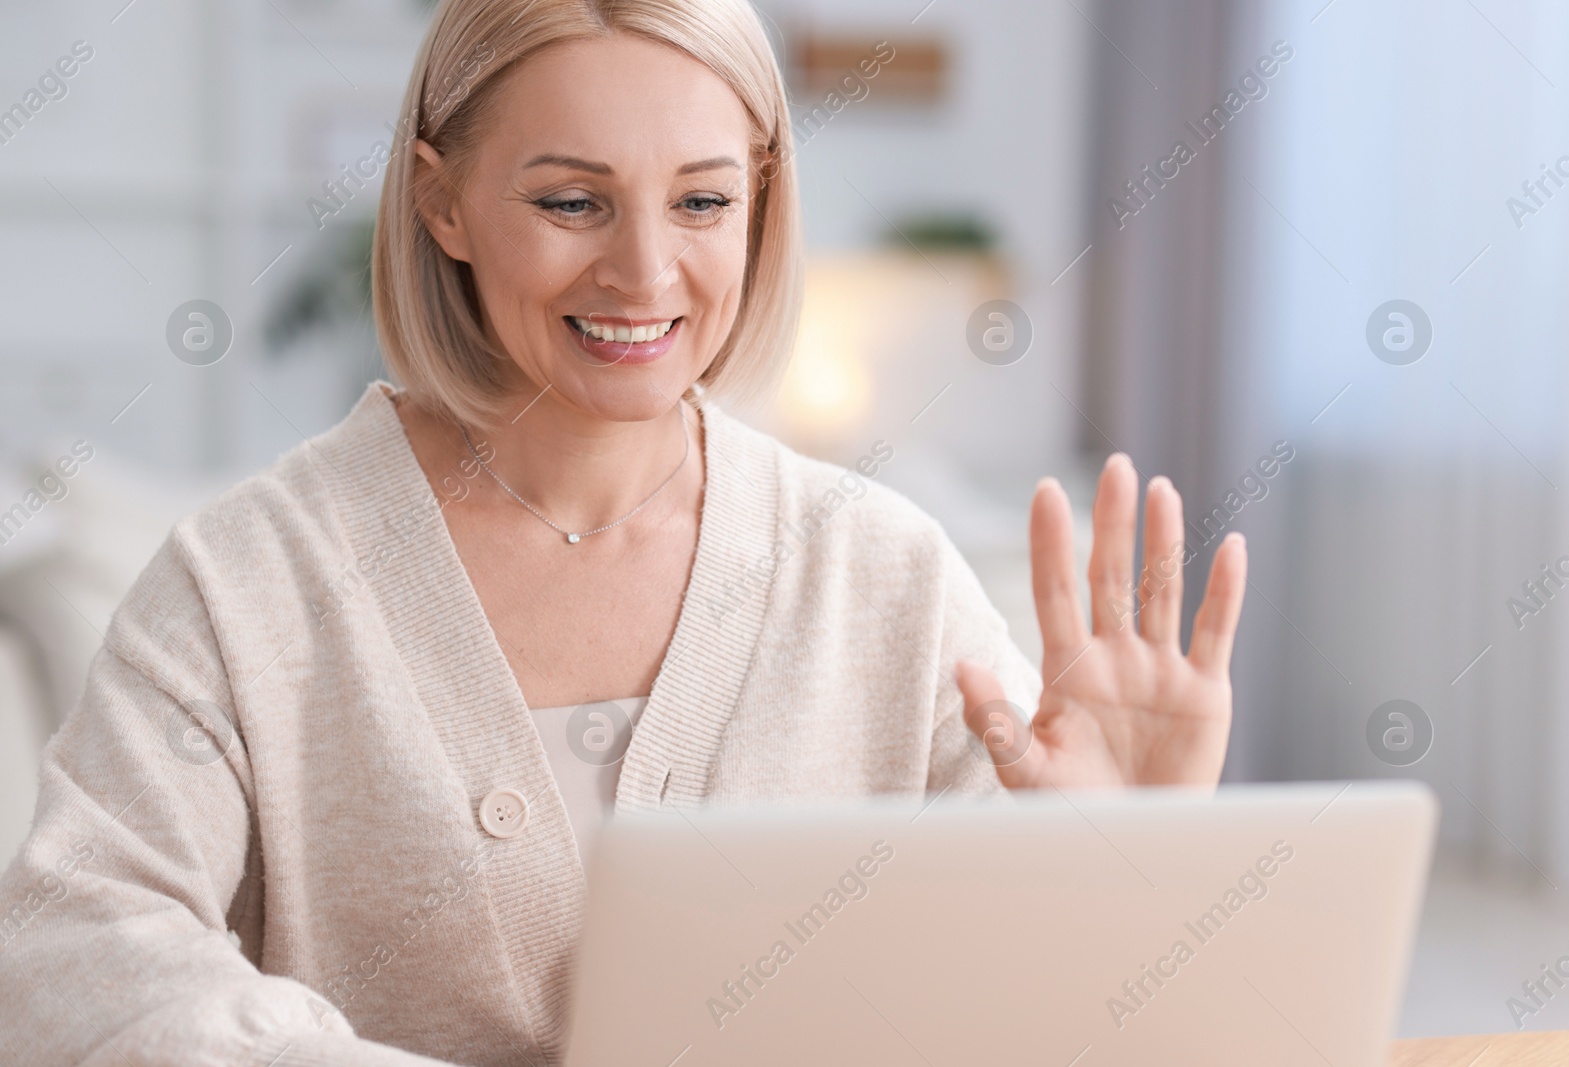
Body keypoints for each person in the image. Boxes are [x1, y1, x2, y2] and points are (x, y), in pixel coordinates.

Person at [0, 0, 1246, 1062]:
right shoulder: (245, 580)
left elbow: (1026, 1013)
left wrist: (1129, 859)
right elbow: (71, 952)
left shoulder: (883, 574)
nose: (644, 274)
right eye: (571, 202)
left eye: (701, 201)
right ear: (442, 203)